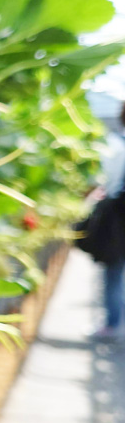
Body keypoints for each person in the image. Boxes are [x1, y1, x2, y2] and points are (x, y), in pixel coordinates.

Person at [94, 102, 125, 339]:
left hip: (118, 221)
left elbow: (108, 183)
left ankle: (112, 325)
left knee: (114, 274)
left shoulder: (117, 146)